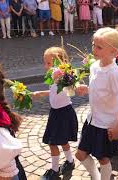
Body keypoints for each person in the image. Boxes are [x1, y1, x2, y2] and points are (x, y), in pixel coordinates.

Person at [75, 27, 118, 180]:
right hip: (92, 120)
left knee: (103, 158)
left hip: (106, 124)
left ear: (114, 52)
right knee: (80, 155)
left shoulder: (114, 73)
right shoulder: (94, 66)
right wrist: (86, 89)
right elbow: (100, 90)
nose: (94, 49)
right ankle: (95, 176)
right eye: (94, 45)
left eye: (99, 47)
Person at [32, 47, 78, 179]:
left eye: (48, 63)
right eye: (45, 62)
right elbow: (54, 91)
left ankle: (54, 170)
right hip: (57, 112)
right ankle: (69, 161)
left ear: (60, 63)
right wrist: (42, 93)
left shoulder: (63, 78)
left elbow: (68, 89)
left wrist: (63, 76)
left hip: (62, 113)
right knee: (62, 140)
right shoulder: (54, 77)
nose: (45, 66)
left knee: (53, 142)